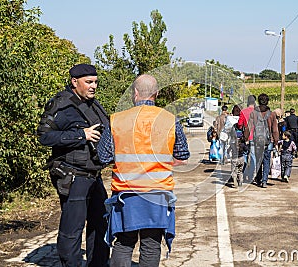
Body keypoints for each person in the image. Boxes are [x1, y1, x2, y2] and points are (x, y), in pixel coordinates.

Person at [97, 74, 190, 266]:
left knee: (123, 242)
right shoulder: (170, 120)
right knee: (151, 244)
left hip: (126, 194)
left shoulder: (117, 120)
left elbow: (103, 157)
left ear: (135, 93)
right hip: (158, 194)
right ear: (156, 94)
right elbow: (182, 155)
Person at [37, 63, 110, 266]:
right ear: (74, 82)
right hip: (73, 176)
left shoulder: (94, 104)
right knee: (72, 230)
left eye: (95, 82)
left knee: (101, 224)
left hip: (94, 175)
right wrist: (81, 135)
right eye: (89, 82)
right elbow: (44, 136)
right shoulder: (61, 104)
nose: (93, 86)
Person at [247, 93, 279, 188]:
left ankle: (258, 178)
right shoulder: (272, 114)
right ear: (268, 101)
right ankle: (264, 181)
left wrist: (246, 138)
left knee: (258, 161)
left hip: (257, 140)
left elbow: (249, 127)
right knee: (266, 160)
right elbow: (275, 130)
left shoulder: (254, 113)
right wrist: (276, 142)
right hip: (268, 141)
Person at [238, 95, 256, 182]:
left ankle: (243, 173)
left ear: (248, 102)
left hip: (246, 136)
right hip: (256, 137)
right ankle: (252, 175)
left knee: (244, 154)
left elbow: (239, 124)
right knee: (253, 156)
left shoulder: (243, 112)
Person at [229, 123, 248, 188]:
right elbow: (246, 149)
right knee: (240, 171)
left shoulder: (232, 142)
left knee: (234, 171)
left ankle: (235, 181)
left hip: (234, 159)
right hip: (241, 158)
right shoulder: (242, 143)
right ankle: (240, 181)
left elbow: (228, 150)